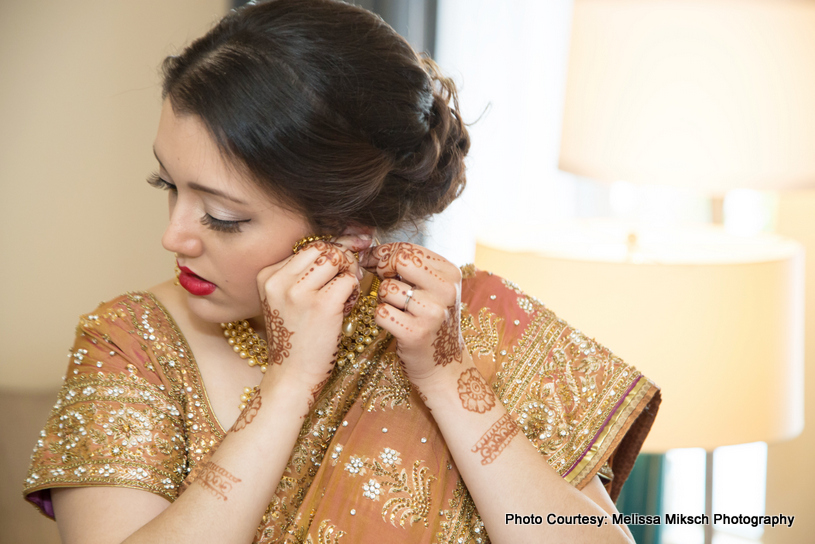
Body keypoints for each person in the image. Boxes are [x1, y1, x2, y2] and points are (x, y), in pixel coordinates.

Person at [22, 1, 660, 542]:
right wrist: (288, 385)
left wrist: (446, 381)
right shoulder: (132, 344)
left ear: (350, 231)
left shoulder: (464, 322)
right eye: (168, 185)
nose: (173, 236)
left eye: (221, 216)